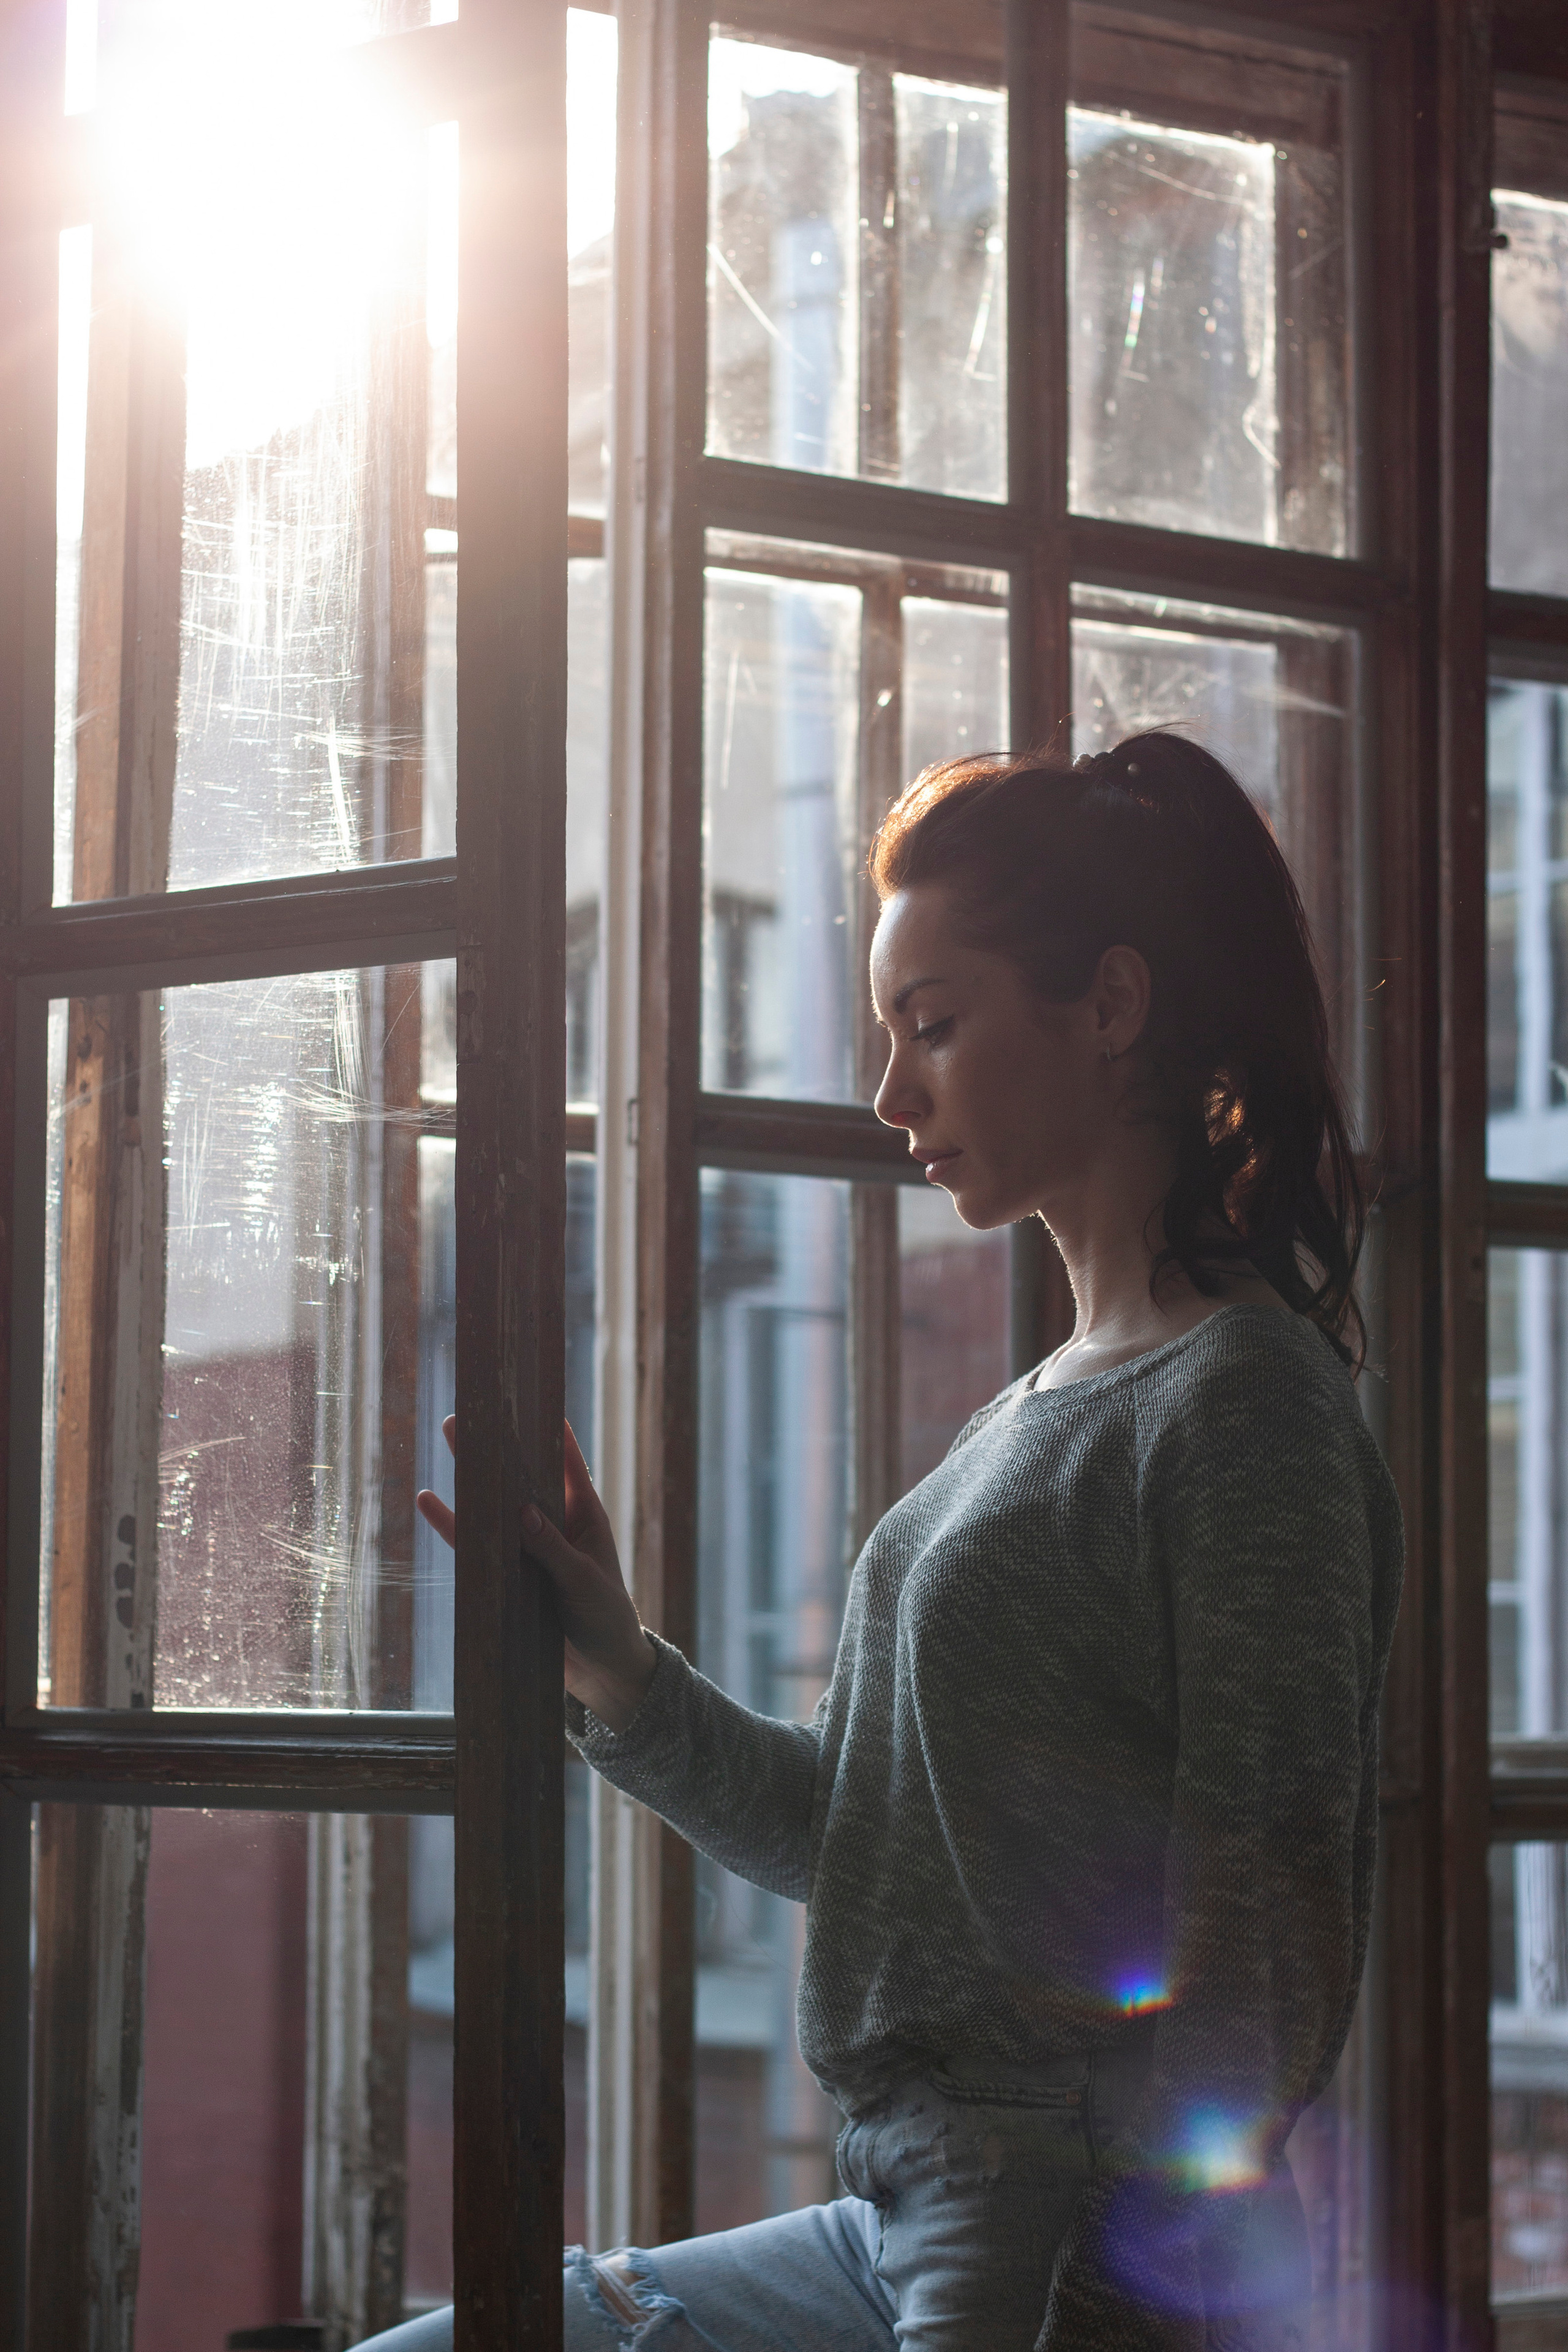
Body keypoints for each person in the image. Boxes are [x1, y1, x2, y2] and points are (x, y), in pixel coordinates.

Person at [360, 732, 1404, 2352]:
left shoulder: (1246, 1403)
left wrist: (1135, 2272)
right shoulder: (1041, 1406)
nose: (889, 1092)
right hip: (904, 2204)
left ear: (1111, 1005)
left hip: (1061, 2230)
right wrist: (615, 1669)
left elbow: (1267, 1895)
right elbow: (862, 1851)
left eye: (934, 1025)